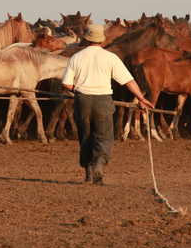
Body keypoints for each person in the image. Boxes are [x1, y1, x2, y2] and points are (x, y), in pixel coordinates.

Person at [62, 23, 154, 185]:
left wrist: (80, 89)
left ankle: (88, 174)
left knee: (85, 137)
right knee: (103, 136)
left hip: (82, 100)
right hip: (103, 100)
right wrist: (141, 98)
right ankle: (99, 163)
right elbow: (128, 80)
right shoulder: (110, 57)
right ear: (102, 40)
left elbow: (66, 84)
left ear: (87, 38)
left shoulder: (76, 57)